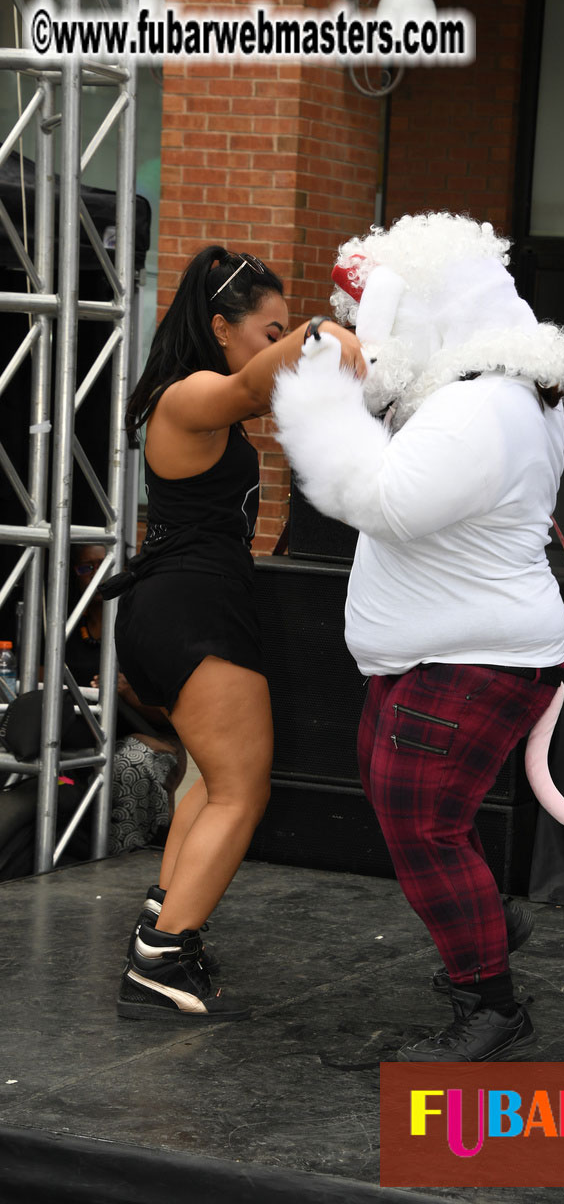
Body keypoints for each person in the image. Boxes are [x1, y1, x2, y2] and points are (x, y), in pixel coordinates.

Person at [274, 212, 564, 1062]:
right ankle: (486, 919)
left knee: (421, 819)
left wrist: (320, 399)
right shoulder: (477, 396)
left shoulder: (484, 408)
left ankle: (491, 1007)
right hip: (442, 648)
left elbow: (385, 501)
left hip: (477, 652)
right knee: (402, 799)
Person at [106, 245, 365, 1021]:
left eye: (287, 327)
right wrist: (321, 330)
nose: (278, 340)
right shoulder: (188, 396)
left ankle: (164, 922)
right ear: (221, 327)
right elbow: (259, 384)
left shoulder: (184, 397)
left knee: (206, 786)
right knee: (242, 791)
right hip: (191, 612)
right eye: (269, 327)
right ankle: (160, 960)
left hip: (182, 609)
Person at [67, 543, 186, 853]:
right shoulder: (63, 627)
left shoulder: (147, 627)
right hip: (81, 739)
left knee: (129, 763)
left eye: (105, 564)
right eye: (85, 568)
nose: (96, 574)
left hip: (148, 738)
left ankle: (124, 862)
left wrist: (130, 694)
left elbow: (179, 713)